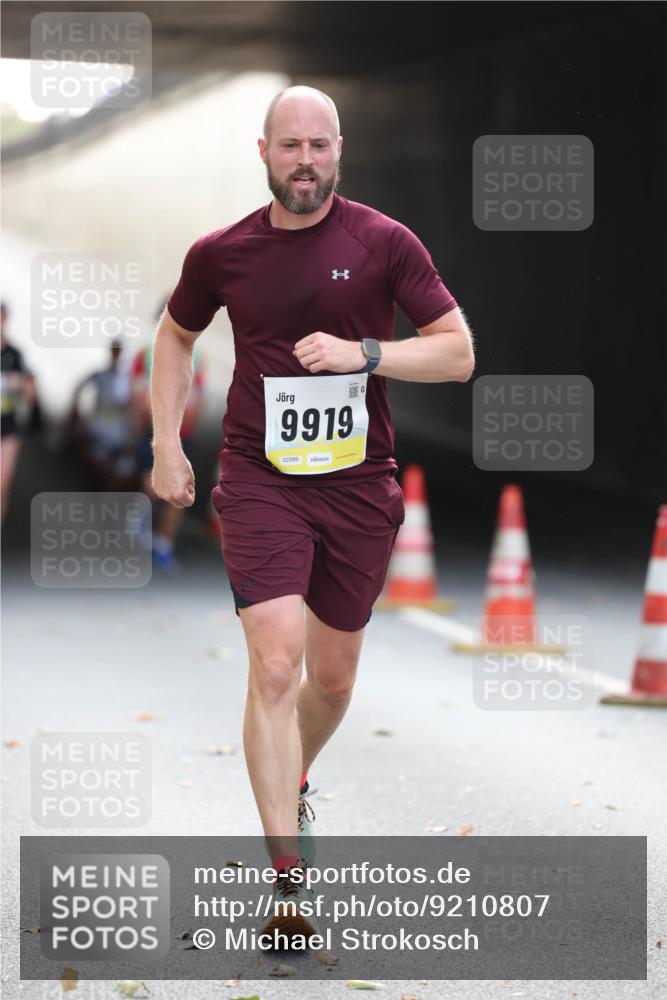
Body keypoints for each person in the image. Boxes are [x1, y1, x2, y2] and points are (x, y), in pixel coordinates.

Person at [150, 85, 474, 937]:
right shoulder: (222, 253)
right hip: (260, 480)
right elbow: (174, 335)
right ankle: (288, 883)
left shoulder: (383, 243)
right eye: (288, 146)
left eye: (318, 146)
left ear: (340, 149)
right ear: (262, 152)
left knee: (330, 680)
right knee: (276, 667)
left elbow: (457, 353)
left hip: (357, 487)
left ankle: (291, 779)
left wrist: (363, 353)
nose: (304, 161)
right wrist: (165, 443)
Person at [131, 302, 205, 573]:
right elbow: (136, 397)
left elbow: (198, 398)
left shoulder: (197, 356)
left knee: (182, 491)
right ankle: (141, 523)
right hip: (152, 432)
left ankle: (163, 545)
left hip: (184, 433)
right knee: (151, 487)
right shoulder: (145, 354)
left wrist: (183, 423)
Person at [68, 339, 135, 490]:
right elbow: (80, 386)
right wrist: (75, 411)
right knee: (96, 465)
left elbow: (131, 406)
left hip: (118, 435)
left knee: (123, 471)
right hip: (99, 432)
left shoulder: (125, 379)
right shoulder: (101, 375)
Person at [1, 301, 36, 523]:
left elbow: (33, 393)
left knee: (1, 488)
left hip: (6, 430)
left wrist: (20, 384)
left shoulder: (14, 355)